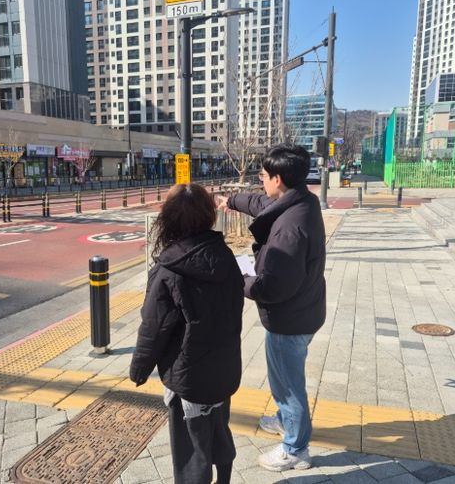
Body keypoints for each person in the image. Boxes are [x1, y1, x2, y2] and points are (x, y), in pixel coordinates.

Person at [217, 143, 326, 472]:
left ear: (278, 179)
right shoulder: (301, 200)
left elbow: (272, 287)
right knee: (286, 378)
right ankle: (285, 420)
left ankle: (295, 449)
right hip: (303, 309)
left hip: (289, 319)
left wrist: (238, 279)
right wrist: (230, 201)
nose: (260, 181)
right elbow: (260, 203)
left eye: (263, 176)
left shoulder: (289, 230)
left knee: (288, 386)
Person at [130, 183, 244, 484]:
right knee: (218, 427)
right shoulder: (225, 256)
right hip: (225, 370)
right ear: (208, 216)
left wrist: (139, 369)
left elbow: (154, 326)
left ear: (168, 219)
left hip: (188, 377)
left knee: (191, 449)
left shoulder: (169, 269)